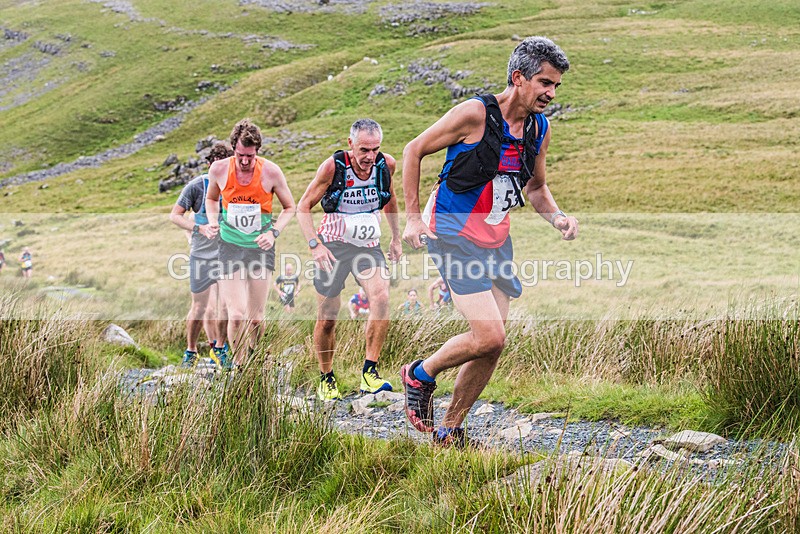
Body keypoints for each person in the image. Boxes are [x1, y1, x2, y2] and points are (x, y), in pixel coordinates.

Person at [399, 37, 579, 447]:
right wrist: (412, 217)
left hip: (496, 239)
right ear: (518, 78)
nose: (550, 93)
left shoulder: (539, 127)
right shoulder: (476, 114)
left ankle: (449, 430)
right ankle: (420, 374)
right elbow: (414, 150)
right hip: (453, 234)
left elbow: (536, 188)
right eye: (544, 83)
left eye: (556, 86)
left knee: (492, 347)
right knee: (490, 335)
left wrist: (558, 218)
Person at [297, 118, 402, 400]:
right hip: (332, 247)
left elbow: (390, 197)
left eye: (375, 149)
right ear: (350, 144)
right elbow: (303, 206)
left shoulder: (385, 165)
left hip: (367, 246)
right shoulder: (334, 167)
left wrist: (395, 237)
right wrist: (314, 246)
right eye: (364, 150)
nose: (370, 157)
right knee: (328, 318)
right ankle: (326, 377)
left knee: (380, 296)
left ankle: (370, 372)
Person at [205, 119, 296, 366]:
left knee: (256, 318)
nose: (245, 161)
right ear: (233, 148)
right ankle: (240, 367)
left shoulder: (271, 172)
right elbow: (212, 199)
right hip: (230, 245)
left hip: (259, 247)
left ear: (258, 151)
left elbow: (290, 207)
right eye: (240, 155)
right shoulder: (219, 170)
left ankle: (254, 357)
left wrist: (273, 233)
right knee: (236, 315)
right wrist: (213, 220)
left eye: (251, 156)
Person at [170, 142, 233, 368]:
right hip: (201, 254)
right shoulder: (197, 186)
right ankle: (191, 350)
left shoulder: (235, 186)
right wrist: (199, 228)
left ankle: (220, 348)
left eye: (225, 167)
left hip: (227, 255)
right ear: (208, 165)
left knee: (225, 304)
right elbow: (175, 216)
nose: (221, 172)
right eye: (216, 166)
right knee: (200, 306)